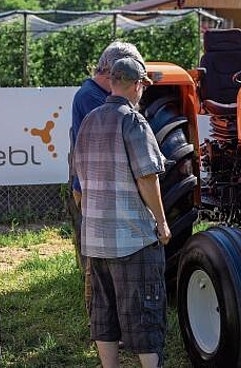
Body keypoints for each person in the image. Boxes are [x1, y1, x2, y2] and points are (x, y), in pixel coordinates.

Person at [73, 57, 171, 368]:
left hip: (95, 240)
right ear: (138, 84)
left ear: (113, 81)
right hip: (133, 239)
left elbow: (78, 181)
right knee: (144, 310)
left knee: (103, 310)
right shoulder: (133, 121)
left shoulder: (88, 121)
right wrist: (162, 223)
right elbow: (147, 177)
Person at [68, 41, 144, 313]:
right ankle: (100, 316)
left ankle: (107, 319)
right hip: (92, 187)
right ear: (113, 70)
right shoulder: (91, 97)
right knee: (97, 258)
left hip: (94, 184)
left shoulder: (93, 94)